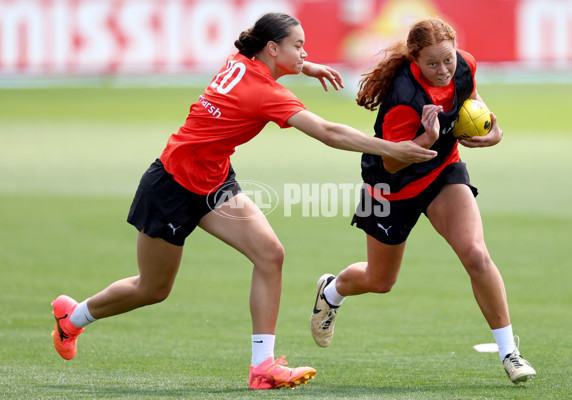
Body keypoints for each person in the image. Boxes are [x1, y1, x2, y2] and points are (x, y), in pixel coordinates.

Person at [51, 13, 437, 390]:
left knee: (270, 254)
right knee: (152, 289)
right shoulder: (265, 93)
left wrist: (306, 66)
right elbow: (329, 132)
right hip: (169, 187)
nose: (304, 52)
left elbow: (268, 65)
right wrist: (393, 148)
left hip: (214, 182)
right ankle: (72, 319)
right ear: (272, 48)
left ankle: (262, 367)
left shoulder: (242, 61)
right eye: (298, 46)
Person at [309, 18, 537, 385]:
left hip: (443, 172)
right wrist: (428, 138)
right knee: (380, 280)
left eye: (447, 60)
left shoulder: (464, 64)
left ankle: (510, 353)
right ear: (415, 59)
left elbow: (473, 101)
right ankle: (332, 291)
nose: (443, 70)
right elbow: (392, 161)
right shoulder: (403, 96)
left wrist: (493, 130)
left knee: (476, 255)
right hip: (389, 185)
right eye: (432, 64)